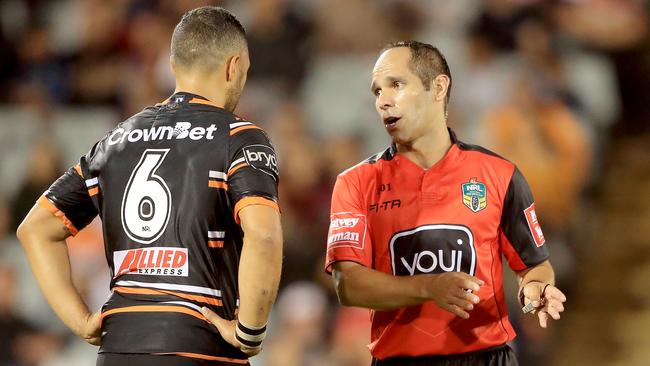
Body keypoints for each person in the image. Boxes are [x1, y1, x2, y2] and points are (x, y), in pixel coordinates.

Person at [17, 6, 283, 366]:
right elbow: (264, 236)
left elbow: (36, 228)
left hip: (119, 347)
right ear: (233, 66)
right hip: (197, 345)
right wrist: (250, 332)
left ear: (173, 66)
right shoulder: (239, 136)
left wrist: (80, 321)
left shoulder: (116, 140)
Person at [325, 40, 567, 366]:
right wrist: (430, 286)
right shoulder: (356, 183)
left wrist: (535, 290)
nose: (383, 101)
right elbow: (349, 285)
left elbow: (534, 265)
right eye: (377, 91)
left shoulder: (499, 174)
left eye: (396, 84)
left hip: (486, 357)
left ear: (438, 87)